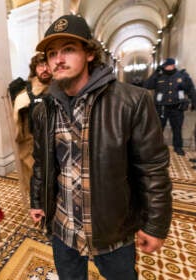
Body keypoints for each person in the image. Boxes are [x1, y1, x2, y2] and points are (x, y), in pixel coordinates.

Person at [29, 14, 172, 280]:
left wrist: (155, 225)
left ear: (89, 53)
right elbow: (41, 162)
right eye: (52, 53)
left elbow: (152, 169)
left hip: (112, 231)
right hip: (64, 229)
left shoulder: (132, 101)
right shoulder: (45, 109)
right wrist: (37, 200)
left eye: (69, 49)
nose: (58, 59)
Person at [12, 52, 52, 195]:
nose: (45, 69)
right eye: (41, 65)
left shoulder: (63, 91)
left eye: (48, 65)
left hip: (58, 148)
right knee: (37, 188)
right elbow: (19, 133)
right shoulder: (24, 97)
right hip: (33, 149)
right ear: (34, 69)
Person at [143, 57, 196, 156]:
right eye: (164, 66)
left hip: (177, 107)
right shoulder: (159, 75)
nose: (165, 68)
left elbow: (190, 89)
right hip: (161, 107)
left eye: (167, 66)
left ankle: (178, 147)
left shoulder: (182, 76)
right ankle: (155, 148)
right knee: (158, 128)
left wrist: (194, 101)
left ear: (172, 66)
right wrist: (155, 73)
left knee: (177, 128)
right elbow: (147, 85)